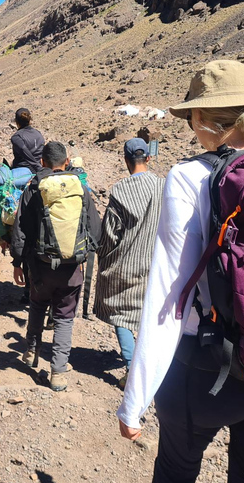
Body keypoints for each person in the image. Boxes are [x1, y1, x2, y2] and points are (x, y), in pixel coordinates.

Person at [117, 60, 244, 482]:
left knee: (176, 469)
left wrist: (135, 400)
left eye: (192, 116)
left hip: (209, 371)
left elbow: (171, 292)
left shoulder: (191, 176)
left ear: (203, 119)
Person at [10, 141, 101, 391]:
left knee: (38, 305)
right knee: (64, 317)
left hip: (40, 267)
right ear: (67, 160)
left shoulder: (33, 188)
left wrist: (18, 263)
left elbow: (21, 230)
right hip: (72, 269)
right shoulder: (80, 188)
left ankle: (31, 352)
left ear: (42, 162)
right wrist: (82, 254)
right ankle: (58, 372)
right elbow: (95, 230)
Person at [94, 138, 164, 384]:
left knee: (121, 313)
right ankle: (152, 366)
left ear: (126, 160)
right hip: (155, 264)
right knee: (149, 315)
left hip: (125, 264)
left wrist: (102, 253)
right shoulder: (163, 186)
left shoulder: (121, 190)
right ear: (148, 158)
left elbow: (110, 233)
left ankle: (133, 368)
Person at [7, 107, 46, 304]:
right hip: (40, 171)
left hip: (23, 176)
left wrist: (34, 168)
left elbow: (24, 156)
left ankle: (8, 238)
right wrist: (41, 169)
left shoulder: (16, 137)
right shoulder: (39, 135)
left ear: (16, 121)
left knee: (19, 221)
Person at [10, 107, 45, 173]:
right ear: (29, 120)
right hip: (39, 168)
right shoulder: (38, 133)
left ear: (16, 122)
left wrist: (37, 167)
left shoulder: (17, 137)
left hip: (22, 170)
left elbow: (24, 150)